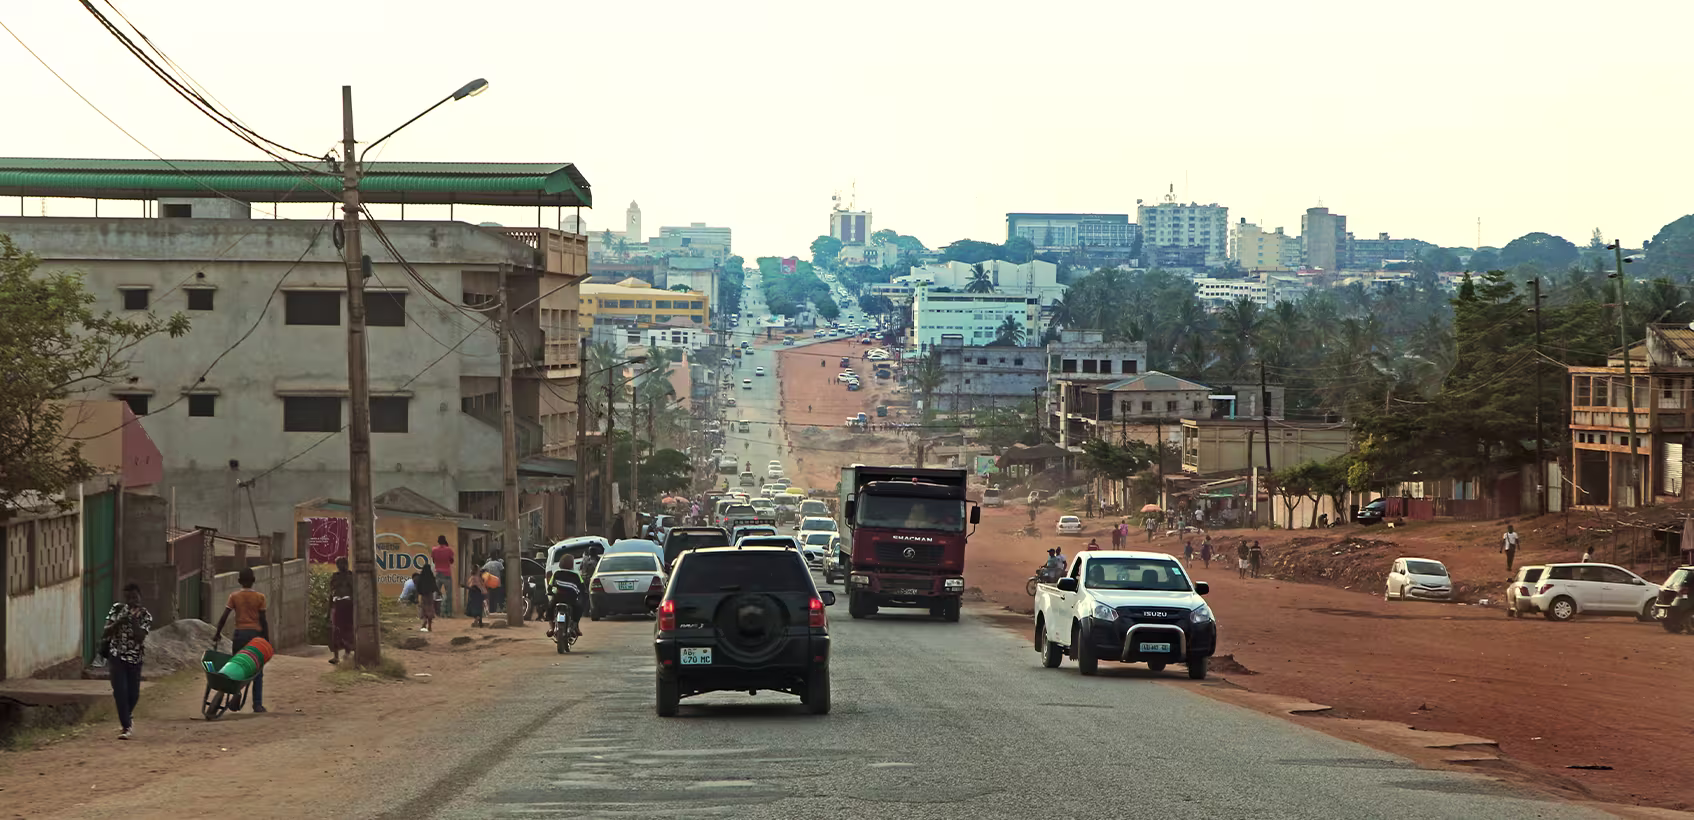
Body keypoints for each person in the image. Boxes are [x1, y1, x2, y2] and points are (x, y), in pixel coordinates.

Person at [213, 568, 269, 714]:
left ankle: (235, 694)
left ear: (239, 581)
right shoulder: (260, 597)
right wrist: (266, 640)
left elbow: (224, 616)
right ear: (254, 580)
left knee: (237, 667)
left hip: (239, 635)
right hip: (255, 636)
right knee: (257, 671)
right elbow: (263, 620)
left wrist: (217, 633)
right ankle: (257, 704)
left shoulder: (234, 596)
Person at [103, 583, 152, 740]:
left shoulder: (146, 616)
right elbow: (106, 631)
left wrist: (133, 620)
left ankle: (127, 715)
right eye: (129, 598)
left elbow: (140, 637)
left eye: (135, 597)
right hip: (116, 656)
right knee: (120, 692)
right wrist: (120, 622)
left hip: (135, 659)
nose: (132, 601)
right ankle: (126, 726)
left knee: (134, 694)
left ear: (140, 597)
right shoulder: (117, 609)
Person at [545, 568, 585, 640]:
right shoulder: (576, 574)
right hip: (571, 599)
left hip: (557, 598)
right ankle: (575, 627)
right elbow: (582, 587)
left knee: (549, 608)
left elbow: (550, 586)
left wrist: (550, 592)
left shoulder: (556, 573)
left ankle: (551, 628)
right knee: (578, 609)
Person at [328, 557, 355, 665]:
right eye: (339, 564)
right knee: (336, 631)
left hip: (348, 605)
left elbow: (355, 591)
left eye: (343, 564)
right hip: (338, 605)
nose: (341, 566)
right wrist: (329, 609)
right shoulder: (335, 577)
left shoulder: (351, 576)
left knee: (348, 630)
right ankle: (336, 656)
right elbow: (331, 593)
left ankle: (347, 654)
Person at [431, 535, 455, 618]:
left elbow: (434, 561)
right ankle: (448, 613)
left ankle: (434, 612)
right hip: (447, 574)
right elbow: (451, 561)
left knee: (435, 593)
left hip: (438, 573)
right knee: (448, 595)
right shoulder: (449, 550)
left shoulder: (434, 550)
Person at [413, 565, 438, 632]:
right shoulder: (431, 577)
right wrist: (439, 592)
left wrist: (416, 597)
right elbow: (435, 586)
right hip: (430, 595)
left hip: (423, 596)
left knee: (424, 608)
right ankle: (429, 625)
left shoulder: (421, 578)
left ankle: (424, 622)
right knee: (430, 609)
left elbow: (418, 588)